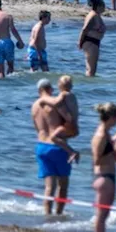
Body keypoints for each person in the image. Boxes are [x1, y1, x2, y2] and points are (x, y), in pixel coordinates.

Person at [33, 77, 80, 216]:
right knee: (62, 185)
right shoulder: (50, 102)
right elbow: (68, 119)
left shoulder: (34, 106)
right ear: (48, 89)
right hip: (57, 147)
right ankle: (58, 215)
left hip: (41, 146)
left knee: (49, 187)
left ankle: (47, 214)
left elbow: (37, 127)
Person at [90, 102, 116, 232]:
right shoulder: (101, 134)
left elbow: (110, 152)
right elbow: (97, 159)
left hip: (108, 176)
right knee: (101, 217)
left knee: (104, 215)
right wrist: (115, 148)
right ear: (110, 117)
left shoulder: (107, 133)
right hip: (103, 177)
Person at [78, 0, 107, 77]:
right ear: (98, 7)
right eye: (103, 6)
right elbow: (84, 29)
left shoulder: (97, 15)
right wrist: (80, 42)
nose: (104, 8)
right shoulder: (93, 15)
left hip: (94, 42)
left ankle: (91, 86)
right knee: (91, 69)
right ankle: (89, 86)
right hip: (90, 42)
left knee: (92, 68)